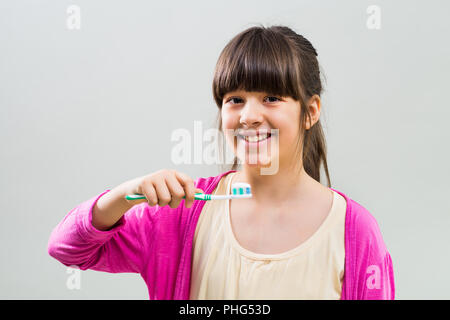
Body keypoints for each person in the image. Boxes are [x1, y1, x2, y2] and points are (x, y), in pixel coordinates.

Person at [48, 24, 395, 300]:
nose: (249, 116)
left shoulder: (355, 232)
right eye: (235, 99)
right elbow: (67, 248)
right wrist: (128, 193)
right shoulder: (180, 213)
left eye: (271, 98)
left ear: (311, 111)